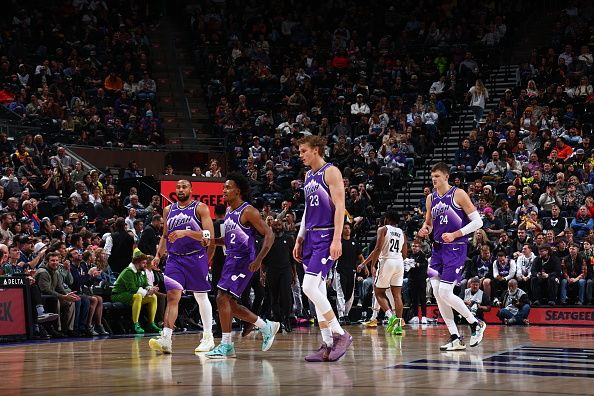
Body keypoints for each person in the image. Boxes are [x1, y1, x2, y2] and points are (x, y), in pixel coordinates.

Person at [206, 172, 279, 359]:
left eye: (227, 188)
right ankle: (265, 326)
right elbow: (228, 240)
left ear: (238, 191)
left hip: (244, 261)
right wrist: (211, 241)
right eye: (223, 188)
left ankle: (226, 344)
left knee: (221, 297)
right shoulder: (230, 212)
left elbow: (269, 235)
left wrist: (259, 259)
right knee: (229, 303)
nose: (224, 191)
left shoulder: (248, 211)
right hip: (231, 259)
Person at [293, 135, 352, 363]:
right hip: (311, 235)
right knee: (318, 292)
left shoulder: (331, 171)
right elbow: (308, 210)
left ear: (316, 150)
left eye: (303, 150)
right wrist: (300, 238)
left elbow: (340, 207)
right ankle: (327, 344)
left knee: (309, 287)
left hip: (327, 235)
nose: (301, 155)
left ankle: (340, 334)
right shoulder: (308, 176)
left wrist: (337, 239)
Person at [418, 162, 487, 351]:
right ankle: (455, 336)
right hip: (437, 249)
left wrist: (456, 234)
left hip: (455, 247)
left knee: (445, 292)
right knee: (437, 292)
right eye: (432, 177)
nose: (434, 180)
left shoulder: (458, 194)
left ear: (446, 177)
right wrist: (425, 229)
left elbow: (478, 222)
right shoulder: (431, 198)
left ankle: (475, 324)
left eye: (437, 176)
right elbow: (429, 224)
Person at [149, 180, 215, 354]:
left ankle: (208, 337)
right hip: (174, 260)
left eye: (184, 187)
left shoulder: (200, 208)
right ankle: (166, 338)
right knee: (172, 296)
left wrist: (186, 233)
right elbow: (165, 235)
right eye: (178, 187)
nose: (180, 189)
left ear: (191, 190)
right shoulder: (168, 210)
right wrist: (158, 255)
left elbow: (208, 236)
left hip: (195, 257)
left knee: (201, 297)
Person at [360, 210, 406, 335]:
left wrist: (373, 264)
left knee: (378, 291)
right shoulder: (402, 233)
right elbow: (405, 253)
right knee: (397, 295)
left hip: (387, 261)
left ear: (387, 219)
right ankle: (398, 325)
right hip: (399, 262)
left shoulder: (383, 229)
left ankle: (391, 317)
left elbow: (378, 248)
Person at [112, 251, 160, 334]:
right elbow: (132, 289)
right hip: (119, 294)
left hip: (130, 295)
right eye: (144, 263)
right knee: (138, 296)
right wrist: (147, 292)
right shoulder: (128, 272)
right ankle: (135, 324)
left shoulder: (142, 271)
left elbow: (145, 284)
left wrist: (151, 289)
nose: (146, 265)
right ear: (137, 262)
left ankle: (151, 323)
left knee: (153, 297)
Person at [262, 218, 296, 332]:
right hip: (272, 270)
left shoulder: (289, 239)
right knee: (274, 297)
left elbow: (292, 260)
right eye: (275, 225)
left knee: (286, 296)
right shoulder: (267, 240)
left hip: (285, 270)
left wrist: (294, 274)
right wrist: (262, 274)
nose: (277, 227)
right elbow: (263, 260)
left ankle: (286, 319)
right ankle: (277, 321)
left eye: (279, 225)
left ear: (283, 226)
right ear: (271, 226)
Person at [333, 222, 364, 325]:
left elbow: (360, 256)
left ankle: (346, 314)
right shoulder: (338, 242)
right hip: (340, 271)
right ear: (342, 230)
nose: (347, 230)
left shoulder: (354, 242)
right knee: (340, 293)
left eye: (348, 228)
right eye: (345, 228)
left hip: (352, 271)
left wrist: (364, 266)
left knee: (350, 295)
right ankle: (341, 315)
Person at [406, 239, 429, 324]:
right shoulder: (410, 255)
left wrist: (417, 264)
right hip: (412, 279)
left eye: (415, 246)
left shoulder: (422, 255)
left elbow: (425, 265)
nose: (414, 248)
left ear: (419, 247)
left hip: (421, 279)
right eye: (412, 246)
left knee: (422, 298)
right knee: (414, 298)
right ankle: (415, 316)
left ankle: (424, 316)